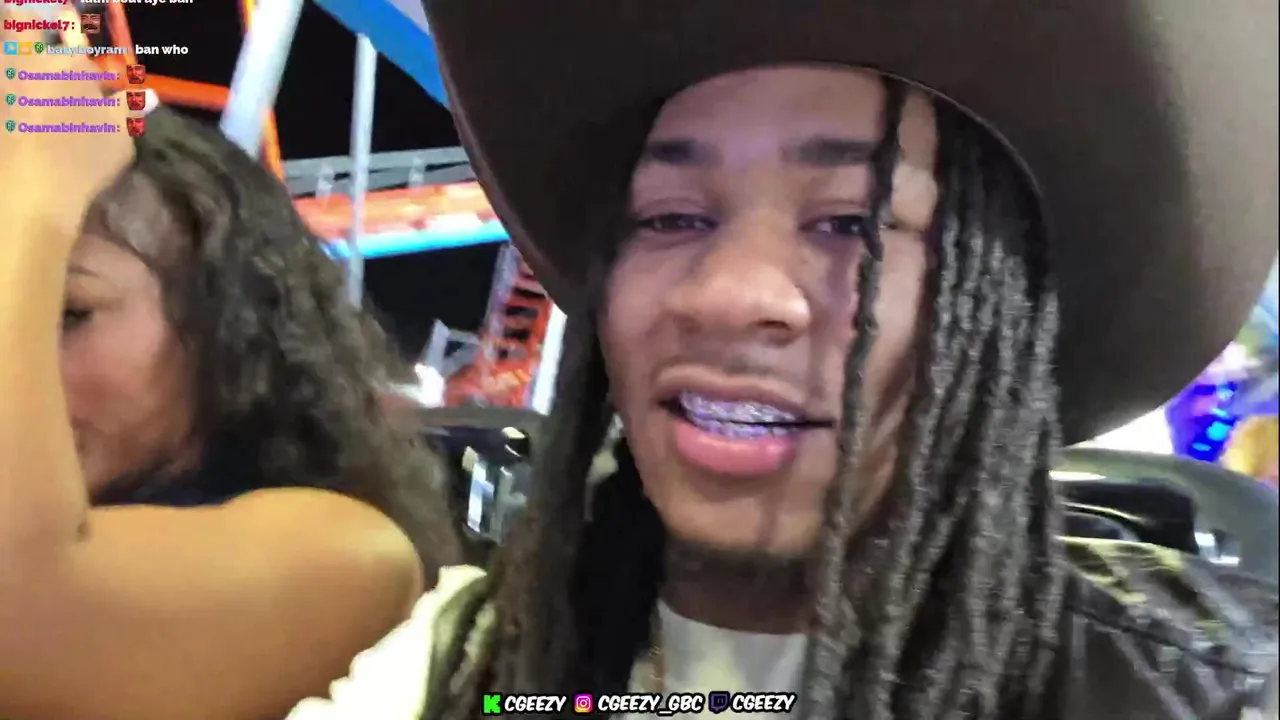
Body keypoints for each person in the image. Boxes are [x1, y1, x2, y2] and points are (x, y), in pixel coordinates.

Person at [285, 1, 1280, 719]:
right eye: (670, 218)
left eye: (852, 223)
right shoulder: (475, 662)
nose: (724, 296)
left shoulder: (1207, 692)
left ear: (1004, 313)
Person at [0, 19, 461, 720]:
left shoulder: (347, 557)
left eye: (65, 312)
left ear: (225, 320)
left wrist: (37, 201)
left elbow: (22, 621)